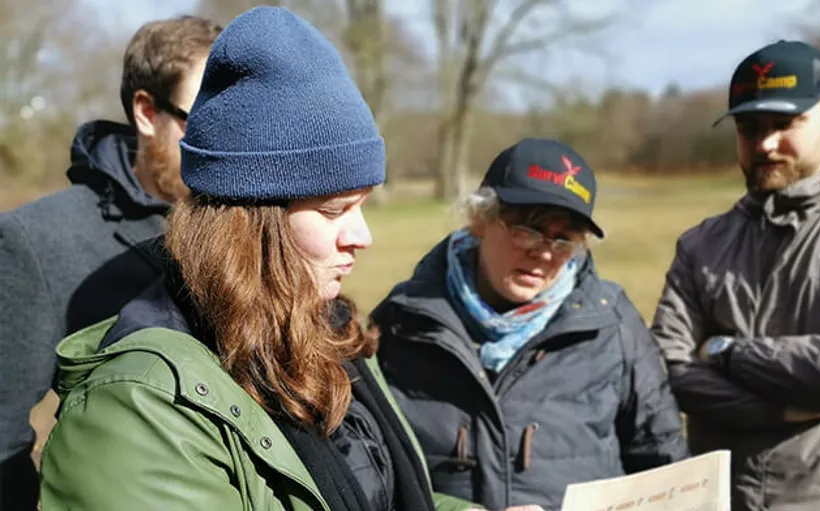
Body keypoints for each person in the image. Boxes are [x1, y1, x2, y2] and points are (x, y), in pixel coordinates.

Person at [38, 7, 489, 511]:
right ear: (250, 226)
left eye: (361, 206)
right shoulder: (140, 411)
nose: (361, 236)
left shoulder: (323, 334)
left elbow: (377, 493)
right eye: (334, 210)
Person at [650, 40, 820, 511]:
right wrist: (787, 405)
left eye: (785, 124)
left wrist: (726, 352)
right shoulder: (701, 244)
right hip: (720, 501)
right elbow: (666, 372)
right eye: (750, 128)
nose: (765, 144)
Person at [371, 138, 690, 511]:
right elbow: (370, 477)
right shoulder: (402, 323)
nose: (543, 252)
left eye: (563, 239)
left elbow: (665, 465)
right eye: (527, 228)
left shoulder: (613, 323)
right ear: (480, 220)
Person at [0, 15, 220, 510]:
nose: (221, 146)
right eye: (203, 122)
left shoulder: (249, 223)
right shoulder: (39, 241)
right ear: (146, 111)